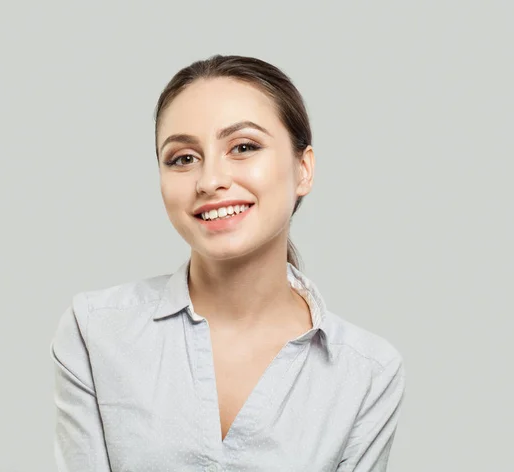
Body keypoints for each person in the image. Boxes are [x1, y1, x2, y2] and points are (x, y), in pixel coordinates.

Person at [50, 54, 406, 472]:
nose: (209, 180)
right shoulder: (95, 330)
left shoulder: (366, 372)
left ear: (303, 169)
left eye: (243, 147)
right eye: (183, 158)